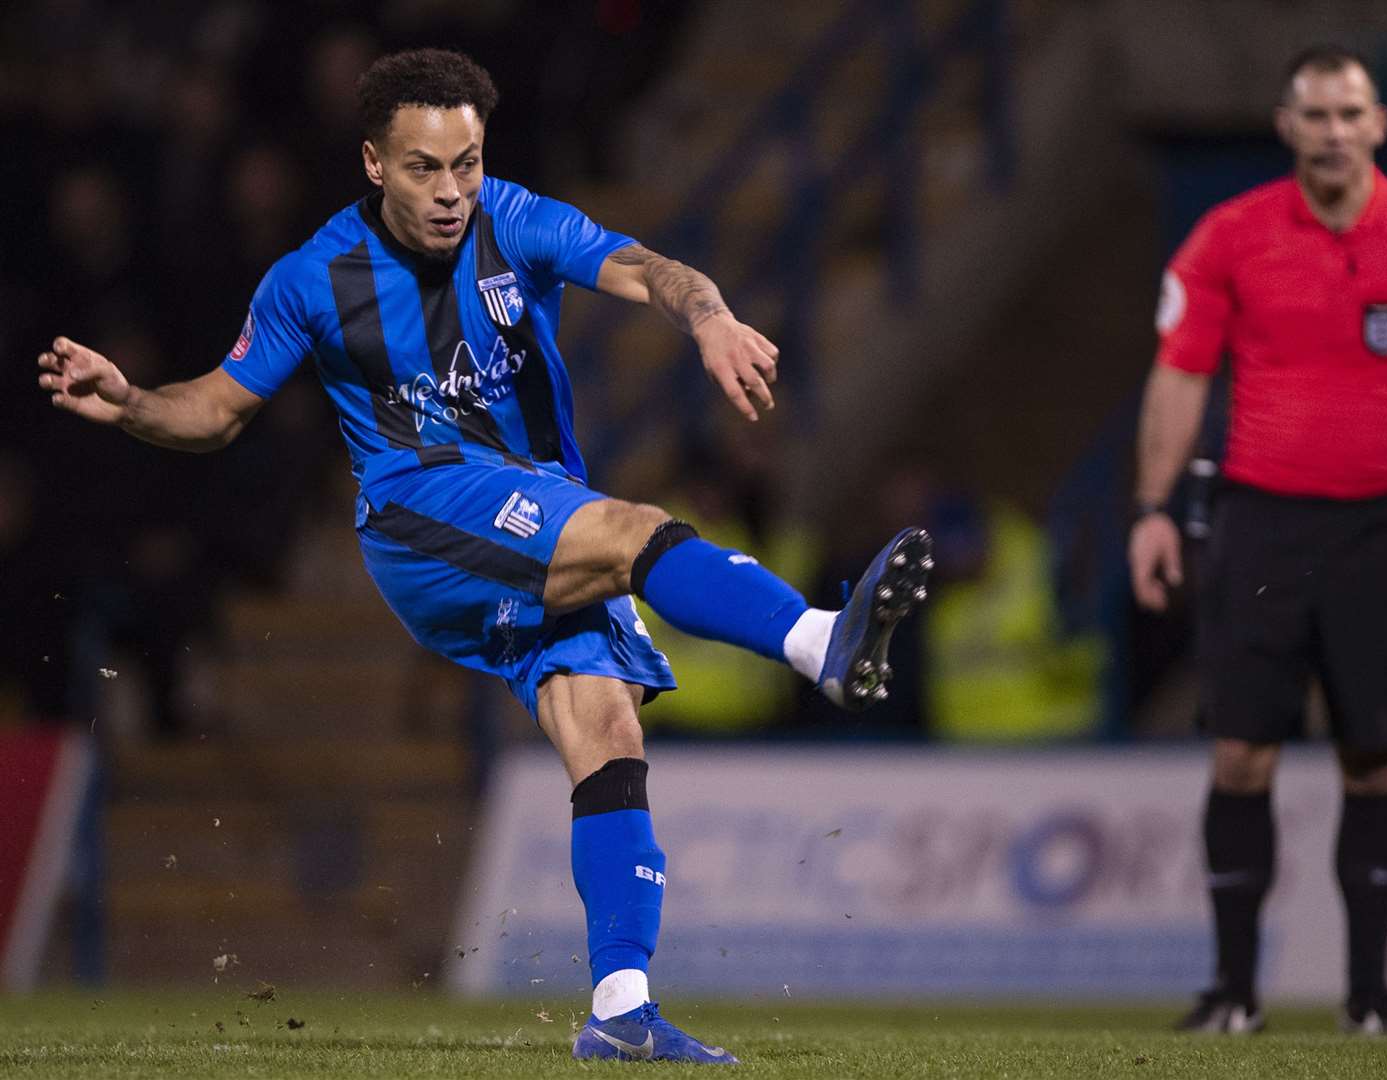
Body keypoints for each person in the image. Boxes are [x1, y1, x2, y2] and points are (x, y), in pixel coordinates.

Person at [38, 48, 931, 1065]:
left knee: (606, 733)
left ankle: (622, 1011)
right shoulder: (312, 278)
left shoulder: (514, 219)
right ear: (374, 163)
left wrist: (711, 316)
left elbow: (649, 268)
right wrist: (134, 403)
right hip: (422, 518)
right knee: (635, 529)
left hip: (531, 510)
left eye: (467, 161)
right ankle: (822, 642)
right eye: (426, 167)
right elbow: (216, 411)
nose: (453, 190)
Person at [1126, 46, 1387, 1036]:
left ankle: (1371, 997)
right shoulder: (1231, 236)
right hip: (1259, 527)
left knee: (1373, 761)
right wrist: (1154, 509)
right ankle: (1231, 993)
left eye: (1350, 114)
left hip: (1385, 529)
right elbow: (1180, 375)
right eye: (1316, 115)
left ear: (1379, 123)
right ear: (1285, 126)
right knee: (1241, 754)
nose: (1334, 132)